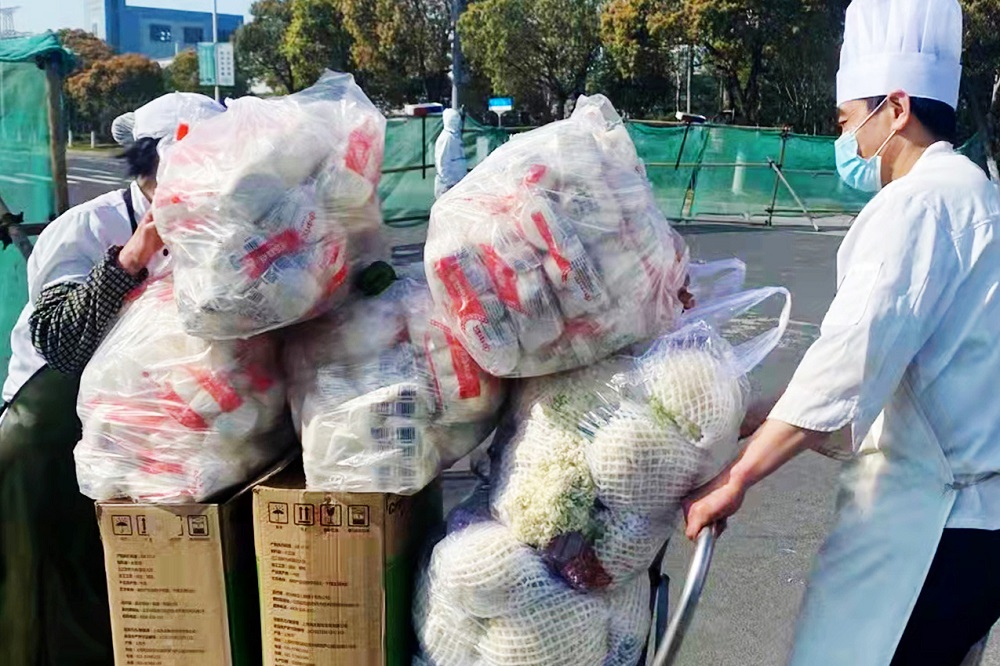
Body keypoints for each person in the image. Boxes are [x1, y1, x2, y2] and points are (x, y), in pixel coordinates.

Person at [684, 1, 1000, 664]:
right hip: (977, 524)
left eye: (848, 121)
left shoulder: (918, 203)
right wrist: (759, 414)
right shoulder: (974, 194)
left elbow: (851, 360)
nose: (846, 142)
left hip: (931, 521)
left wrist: (739, 476)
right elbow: (897, 369)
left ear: (896, 108)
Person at [0, 92, 222, 665]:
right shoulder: (87, 226)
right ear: (154, 164)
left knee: (133, 601)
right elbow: (59, 339)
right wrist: (135, 253)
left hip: (145, 439)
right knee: (54, 603)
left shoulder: (221, 228)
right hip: (51, 440)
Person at [434, 108, 468, 199]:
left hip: (456, 184)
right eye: (454, 119)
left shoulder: (455, 137)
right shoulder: (447, 138)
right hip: (448, 185)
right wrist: (447, 182)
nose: (457, 122)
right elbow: (442, 162)